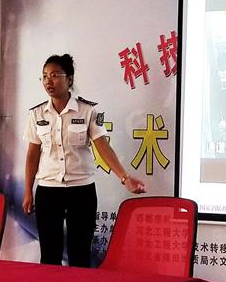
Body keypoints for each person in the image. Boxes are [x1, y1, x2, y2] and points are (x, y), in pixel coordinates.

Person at [22, 53, 146, 267]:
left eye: (55, 75)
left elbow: (103, 147)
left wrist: (125, 178)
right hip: (48, 191)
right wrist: (27, 191)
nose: (48, 81)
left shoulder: (88, 111)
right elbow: (32, 155)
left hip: (81, 191)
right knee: (49, 256)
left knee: (79, 254)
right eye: (44, 76)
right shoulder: (36, 114)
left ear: (69, 79)